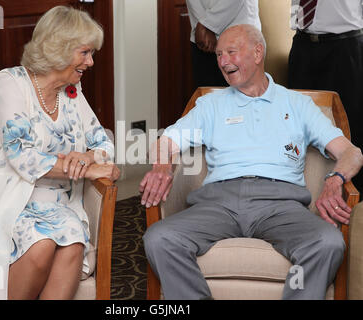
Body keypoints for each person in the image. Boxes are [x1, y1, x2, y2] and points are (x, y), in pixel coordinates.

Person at [140, 24, 363, 300]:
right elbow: (166, 141)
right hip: (217, 202)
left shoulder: (298, 105)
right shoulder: (211, 105)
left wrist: (335, 179)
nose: (222, 61)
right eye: (219, 55)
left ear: (258, 53)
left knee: (328, 243)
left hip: (281, 205)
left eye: (231, 52)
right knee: (159, 238)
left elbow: (352, 152)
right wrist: (162, 166)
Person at [0, 6, 119, 300]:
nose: (91, 62)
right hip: (8, 198)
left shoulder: (72, 90)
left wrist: (87, 158)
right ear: (59, 49)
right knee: (42, 243)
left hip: (58, 204)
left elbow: (104, 142)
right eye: (85, 52)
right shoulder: (9, 83)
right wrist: (91, 168)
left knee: (72, 243)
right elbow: (22, 156)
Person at [288, 0, 363, 193]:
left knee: (351, 124)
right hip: (302, 44)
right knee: (295, 122)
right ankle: (300, 190)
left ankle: (353, 196)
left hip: (345, 46)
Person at [186, 0, 261, 89]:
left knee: (243, 96)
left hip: (239, 32)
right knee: (207, 96)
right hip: (203, 39)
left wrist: (207, 24)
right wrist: (202, 25)